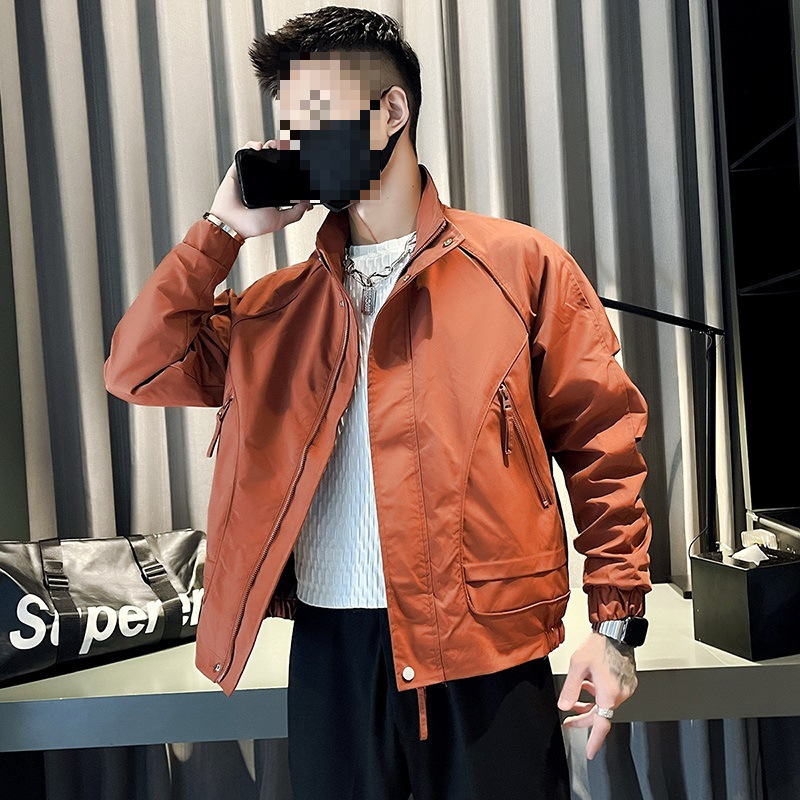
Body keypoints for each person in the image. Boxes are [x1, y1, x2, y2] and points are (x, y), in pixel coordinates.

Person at [104, 7, 653, 799]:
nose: (295, 137)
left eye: (315, 112)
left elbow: (604, 446)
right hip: (333, 658)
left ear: (392, 110)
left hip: (487, 655)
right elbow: (138, 368)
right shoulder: (276, 308)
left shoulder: (519, 267)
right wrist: (221, 228)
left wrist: (614, 628)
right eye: (287, 122)